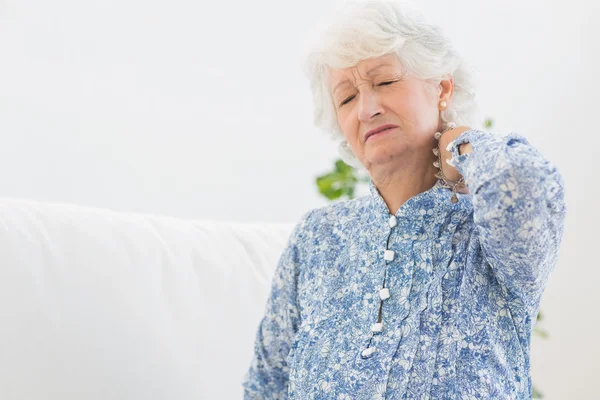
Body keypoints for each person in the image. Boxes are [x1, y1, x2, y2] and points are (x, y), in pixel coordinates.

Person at [242, 0, 567, 398]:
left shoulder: (488, 230)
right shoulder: (317, 237)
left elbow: (524, 182)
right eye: (346, 98)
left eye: (384, 82)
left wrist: (457, 145)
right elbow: (267, 385)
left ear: (442, 88)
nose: (367, 109)